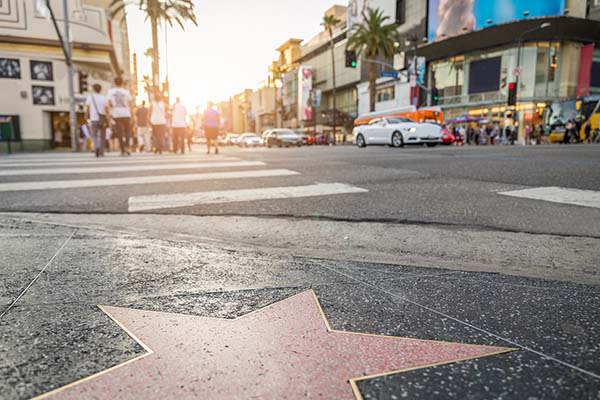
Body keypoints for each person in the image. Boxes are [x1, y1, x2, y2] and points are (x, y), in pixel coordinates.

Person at [107, 76, 133, 156]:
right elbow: (130, 104)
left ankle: (122, 150)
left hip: (117, 114)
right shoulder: (126, 91)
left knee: (120, 132)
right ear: (122, 83)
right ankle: (127, 147)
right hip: (126, 113)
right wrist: (132, 114)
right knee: (128, 131)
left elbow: (109, 103)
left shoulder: (111, 91)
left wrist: (109, 113)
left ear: (114, 82)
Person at [84, 83, 108, 157]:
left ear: (94, 89)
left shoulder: (90, 97)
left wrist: (86, 116)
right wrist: (108, 118)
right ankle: (102, 152)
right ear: (100, 89)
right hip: (102, 118)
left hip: (94, 118)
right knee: (102, 136)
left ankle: (96, 147)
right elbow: (106, 109)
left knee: (94, 135)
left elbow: (87, 108)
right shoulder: (104, 97)